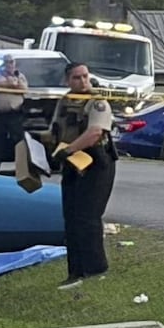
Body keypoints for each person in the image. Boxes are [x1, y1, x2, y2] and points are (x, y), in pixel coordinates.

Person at [49, 62, 118, 290]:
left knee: (88, 217)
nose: (83, 81)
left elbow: (95, 133)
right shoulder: (64, 102)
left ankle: (96, 269)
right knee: (71, 218)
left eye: (85, 76)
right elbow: (54, 130)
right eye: (77, 78)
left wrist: (68, 150)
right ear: (68, 81)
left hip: (96, 161)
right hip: (72, 163)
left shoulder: (97, 102)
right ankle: (75, 271)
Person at [0, 54, 28, 174]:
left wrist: (13, 84)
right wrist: (13, 85)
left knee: (20, 143)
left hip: (15, 115)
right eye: (7, 62)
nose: (9, 64)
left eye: (11, 62)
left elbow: (24, 88)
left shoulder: (20, 76)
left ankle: (22, 170)